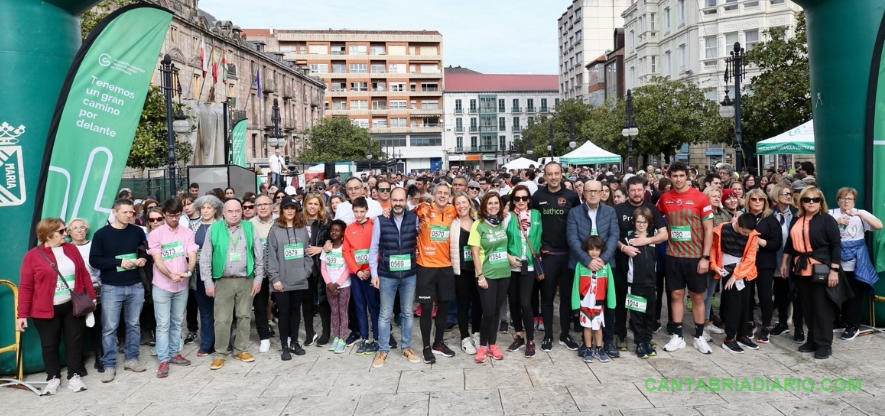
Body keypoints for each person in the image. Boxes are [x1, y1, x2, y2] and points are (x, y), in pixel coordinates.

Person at [18, 218, 96, 395]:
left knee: (74, 342)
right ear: (48, 234)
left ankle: (74, 376)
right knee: (49, 345)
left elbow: (83, 274)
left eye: (64, 230)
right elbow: (26, 287)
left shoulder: (71, 249)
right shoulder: (32, 256)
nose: (65, 234)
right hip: (45, 310)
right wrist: (21, 315)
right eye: (61, 231)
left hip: (72, 305)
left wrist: (91, 297)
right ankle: (53, 378)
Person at [656, 162, 715, 355]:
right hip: (674, 256)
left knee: (698, 296)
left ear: (687, 176)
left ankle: (699, 336)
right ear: (669, 177)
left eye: (682, 175)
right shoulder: (665, 198)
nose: (678, 179)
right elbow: (655, 219)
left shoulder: (700, 198)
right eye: (675, 176)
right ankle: (678, 336)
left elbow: (709, 230)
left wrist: (705, 257)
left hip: (696, 257)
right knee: (675, 296)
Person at [200, 198, 265, 370]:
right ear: (223, 212)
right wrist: (207, 282)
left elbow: (259, 254)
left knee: (244, 316)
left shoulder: (249, 227)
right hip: (223, 280)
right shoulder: (214, 228)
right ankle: (220, 353)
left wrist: (258, 278)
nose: (234, 214)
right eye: (230, 211)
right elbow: (205, 258)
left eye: (237, 210)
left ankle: (241, 349)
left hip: (246, 280)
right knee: (221, 319)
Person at [90, 198, 149, 382]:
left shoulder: (138, 231)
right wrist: (119, 262)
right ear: (115, 212)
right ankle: (109, 365)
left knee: (134, 324)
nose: (130, 215)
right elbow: (94, 260)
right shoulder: (102, 234)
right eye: (125, 212)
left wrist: (143, 259)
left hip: (135, 285)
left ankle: (131, 359)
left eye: (132, 212)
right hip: (111, 287)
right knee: (109, 328)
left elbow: (144, 250)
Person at [780, 187, 841, 360]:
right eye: (807, 199)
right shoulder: (797, 219)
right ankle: (812, 339)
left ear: (821, 202)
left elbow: (836, 245)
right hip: (800, 268)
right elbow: (790, 245)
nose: (811, 202)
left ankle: (824, 344)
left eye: (815, 199)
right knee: (807, 306)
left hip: (821, 267)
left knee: (822, 308)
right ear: (801, 202)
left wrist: (834, 270)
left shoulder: (827, 220)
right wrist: (784, 262)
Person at [614, 176, 668, 351]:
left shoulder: (651, 208)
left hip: (645, 266)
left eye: (639, 190)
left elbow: (664, 234)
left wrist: (646, 240)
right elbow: (611, 235)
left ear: (644, 189)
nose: (636, 194)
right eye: (632, 190)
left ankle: (644, 337)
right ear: (627, 190)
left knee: (645, 304)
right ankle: (621, 336)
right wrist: (623, 248)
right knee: (622, 301)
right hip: (622, 262)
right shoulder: (618, 209)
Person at [532, 162, 582, 352]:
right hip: (547, 255)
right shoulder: (538, 196)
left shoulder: (571, 196)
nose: (553, 177)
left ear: (562, 174)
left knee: (567, 298)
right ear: (545, 175)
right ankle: (547, 336)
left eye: (556, 173)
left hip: (568, 255)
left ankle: (564, 334)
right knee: (546, 297)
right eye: (549, 174)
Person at [369, 188, 421, 367]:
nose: (398, 203)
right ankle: (383, 350)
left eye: (401, 200)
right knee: (385, 314)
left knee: (407, 312)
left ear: (406, 200)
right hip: (387, 275)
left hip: (409, 274)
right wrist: (374, 274)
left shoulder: (415, 218)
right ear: (389, 200)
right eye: (395, 200)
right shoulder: (380, 221)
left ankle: (406, 347)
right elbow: (374, 248)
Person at [567, 179, 620, 357]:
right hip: (582, 266)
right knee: (585, 306)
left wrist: (602, 259)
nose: (592, 194)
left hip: (605, 265)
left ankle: (608, 341)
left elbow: (614, 236)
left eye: (596, 191)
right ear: (583, 193)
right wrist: (587, 260)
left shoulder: (610, 212)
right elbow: (572, 238)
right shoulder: (574, 213)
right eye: (589, 191)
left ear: (602, 193)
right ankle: (587, 342)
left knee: (606, 304)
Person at [146, 198, 197, 377]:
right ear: (164, 215)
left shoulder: (186, 232)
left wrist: (188, 271)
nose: (174, 218)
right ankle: (163, 359)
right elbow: (157, 259)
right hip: (162, 285)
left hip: (181, 285)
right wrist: (170, 275)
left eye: (177, 215)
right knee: (163, 324)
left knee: (177, 321)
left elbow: (192, 253)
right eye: (170, 215)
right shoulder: (156, 234)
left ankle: (175, 352)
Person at [412, 182, 458, 363]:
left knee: (444, 307)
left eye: (445, 193)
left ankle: (439, 343)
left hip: (446, 267)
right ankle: (426, 347)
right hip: (426, 266)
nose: (442, 195)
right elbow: (403, 214)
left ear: (449, 195)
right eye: (439, 192)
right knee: (427, 308)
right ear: (433, 194)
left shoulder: (453, 211)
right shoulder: (423, 209)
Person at [828, 187, 882, 340]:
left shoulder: (860, 213)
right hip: (835, 261)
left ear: (854, 201)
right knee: (836, 294)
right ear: (838, 200)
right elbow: (820, 229)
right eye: (843, 198)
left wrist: (859, 214)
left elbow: (879, 225)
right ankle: (839, 321)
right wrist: (836, 222)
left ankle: (853, 326)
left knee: (854, 295)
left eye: (850, 199)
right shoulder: (831, 213)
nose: (846, 201)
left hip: (855, 262)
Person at [266, 196, 314, 360]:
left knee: (295, 312)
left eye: (292, 208)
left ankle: (294, 342)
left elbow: (307, 253)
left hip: (299, 280)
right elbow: (270, 256)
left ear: (297, 210)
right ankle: (284, 346)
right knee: (284, 312)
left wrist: (306, 271)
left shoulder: (302, 229)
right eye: (286, 208)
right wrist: (275, 278)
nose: (289, 211)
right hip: (281, 281)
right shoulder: (275, 230)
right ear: (282, 210)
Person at [710, 213, 761, 354]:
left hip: (745, 271)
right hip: (726, 269)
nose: (746, 235)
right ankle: (730, 338)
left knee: (746, 304)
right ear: (737, 224)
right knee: (734, 305)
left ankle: (742, 335)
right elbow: (714, 247)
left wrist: (737, 275)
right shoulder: (722, 229)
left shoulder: (752, 235)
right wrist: (713, 265)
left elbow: (750, 258)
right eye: (744, 231)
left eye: (748, 232)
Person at [469, 192, 510, 363]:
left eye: (496, 203)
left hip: (504, 273)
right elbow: (475, 253)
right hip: (487, 275)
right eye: (490, 203)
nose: (493, 206)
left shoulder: (501, 223)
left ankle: (493, 344)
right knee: (487, 312)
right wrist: (480, 276)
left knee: (495, 313)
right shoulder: (478, 225)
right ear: (484, 205)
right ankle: (482, 346)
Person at [503, 185, 543, 358]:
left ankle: (531, 339)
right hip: (511, 265)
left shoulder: (536, 215)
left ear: (529, 199)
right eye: (517, 198)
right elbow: (499, 240)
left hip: (530, 264)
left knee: (525, 302)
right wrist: (508, 256)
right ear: (512, 201)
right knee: (513, 301)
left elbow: (540, 236)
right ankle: (519, 335)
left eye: (524, 198)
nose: (521, 201)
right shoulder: (507, 217)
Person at [744, 189, 783, 344]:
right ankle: (749, 323)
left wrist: (759, 241)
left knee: (765, 295)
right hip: (746, 262)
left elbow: (776, 243)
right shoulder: (743, 217)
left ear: (765, 202)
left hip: (765, 262)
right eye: (754, 199)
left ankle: (766, 325)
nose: (757, 202)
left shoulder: (770, 219)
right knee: (747, 295)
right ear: (749, 201)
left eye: (761, 199)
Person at [343, 197, 380, 356]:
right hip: (357, 274)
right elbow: (346, 252)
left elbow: (378, 247)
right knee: (359, 307)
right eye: (356, 211)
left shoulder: (374, 225)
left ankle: (377, 338)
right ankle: (364, 338)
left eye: (361, 211)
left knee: (374, 307)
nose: (359, 214)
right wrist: (357, 270)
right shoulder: (349, 228)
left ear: (366, 210)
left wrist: (371, 270)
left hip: (371, 273)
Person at [768, 183, 803, 342]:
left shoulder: (797, 214)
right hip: (776, 259)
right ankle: (782, 323)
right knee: (781, 293)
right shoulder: (769, 214)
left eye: (789, 194)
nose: (788, 196)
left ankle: (799, 327)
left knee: (796, 293)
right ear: (776, 196)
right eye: (784, 194)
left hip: (795, 259)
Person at [67, 218, 103, 374]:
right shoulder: (67, 249)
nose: (79, 230)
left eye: (82, 227)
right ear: (69, 232)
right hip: (77, 293)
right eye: (75, 228)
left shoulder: (94, 245)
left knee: (98, 326)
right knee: (77, 329)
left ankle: (100, 357)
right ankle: (78, 363)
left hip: (98, 290)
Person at [573, 235, 615, 363]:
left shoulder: (605, 266)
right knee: (587, 327)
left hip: (598, 302)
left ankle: (599, 348)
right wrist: (575, 305)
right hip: (585, 302)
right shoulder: (580, 265)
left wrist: (611, 303)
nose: (594, 252)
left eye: (597, 249)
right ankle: (588, 348)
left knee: (597, 326)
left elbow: (610, 285)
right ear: (586, 250)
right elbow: (575, 285)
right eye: (591, 249)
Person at [623, 207, 659, 359]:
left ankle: (647, 340)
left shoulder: (653, 238)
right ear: (634, 222)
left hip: (651, 283)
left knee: (650, 314)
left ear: (649, 223)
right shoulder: (628, 238)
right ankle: (639, 342)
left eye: (644, 222)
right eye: (638, 221)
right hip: (634, 283)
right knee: (637, 315)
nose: (641, 224)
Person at [190, 195, 223, 357]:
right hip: (199, 274)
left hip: (219, 274)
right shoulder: (194, 227)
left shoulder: (222, 226)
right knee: (205, 310)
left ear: (215, 209)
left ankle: (225, 342)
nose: (205, 210)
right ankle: (207, 344)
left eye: (209, 207)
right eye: (203, 207)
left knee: (222, 310)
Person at [450, 192, 482, 355]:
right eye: (458, 203)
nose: (461, 206)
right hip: (460, 270)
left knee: (478, 303)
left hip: (477, 270)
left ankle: (476, 333)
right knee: (462, 304)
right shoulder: (452, 223)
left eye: (464, 203)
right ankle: (464, 337)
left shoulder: (478, 222)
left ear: (470, 204)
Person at [303, 194, 332, 346]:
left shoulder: (326, 223)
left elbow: (334, 243)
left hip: (321, 267)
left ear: (320, 206)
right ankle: (309, 332)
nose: (313, 206)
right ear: (305, 205)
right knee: (306, 302)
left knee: (322, 301)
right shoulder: (298, 222)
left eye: (316, 204)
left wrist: (319, 249)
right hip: (303, 267)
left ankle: (326, 332)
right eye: (310, 203)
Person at [249, 195, 276, 353]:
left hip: (278, 272)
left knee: (282, 305)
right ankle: (264, 338)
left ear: (272, 206)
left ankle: (287, 337)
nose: (263, 207)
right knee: (259, 306)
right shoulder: (249, 224)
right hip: (259, 272)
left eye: (266, 204)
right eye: (259, 205)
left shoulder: (280, 221)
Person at [322, 220, 350, 353]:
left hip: (343, 286)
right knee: (334, 312)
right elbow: (323, 268)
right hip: (329, 287)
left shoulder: (345, 248)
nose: (334, 232)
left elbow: (347, 269)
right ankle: (336, 337)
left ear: (343, 232)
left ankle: (342, 338)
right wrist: (329, 284)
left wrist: (337, 284)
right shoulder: (327, 248)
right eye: (332, 230)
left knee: (342, 312)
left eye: (337, 230)